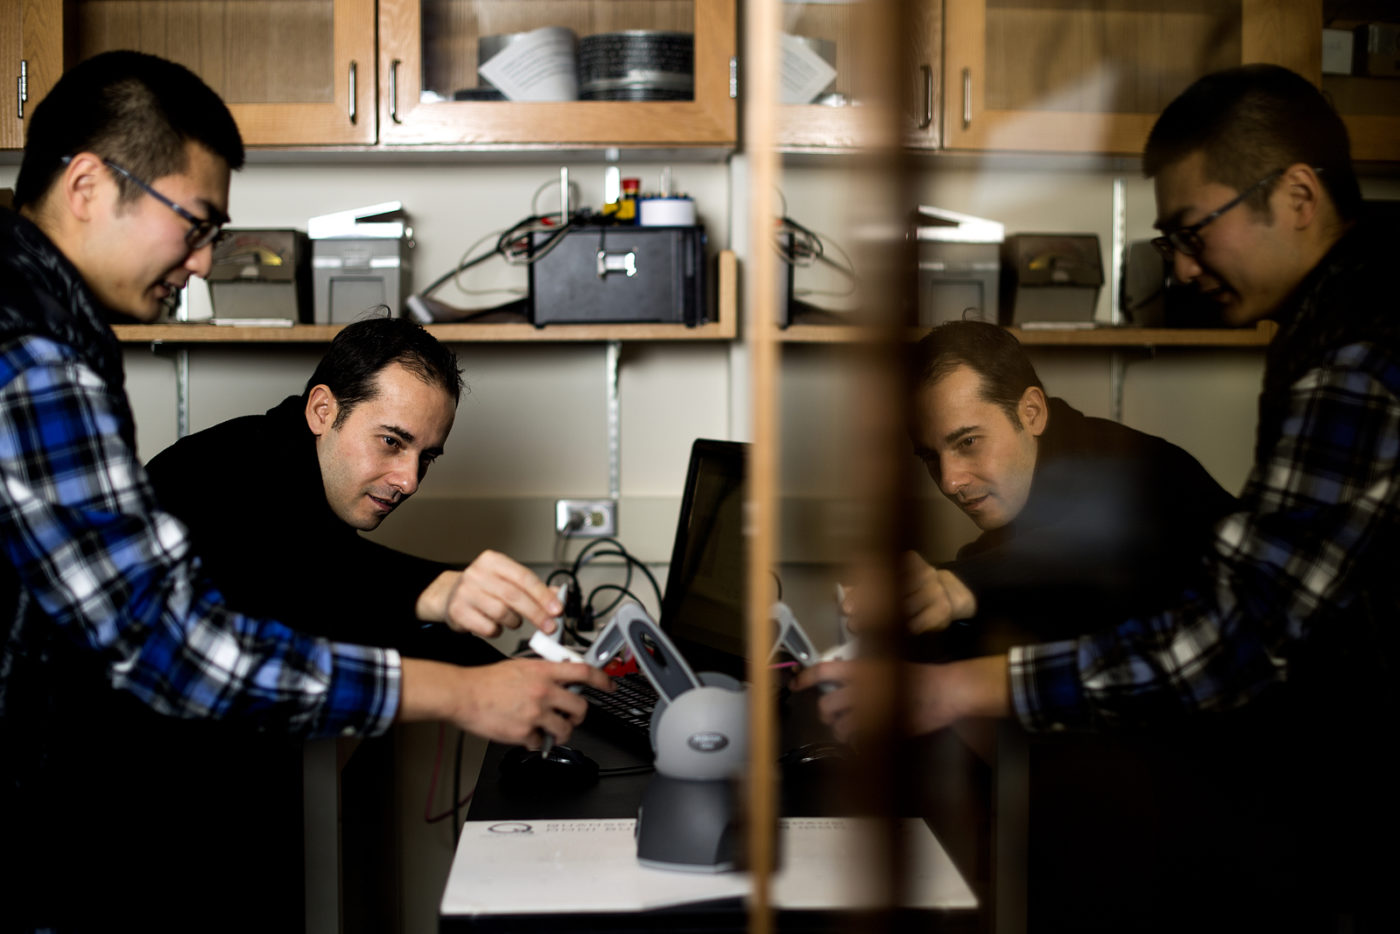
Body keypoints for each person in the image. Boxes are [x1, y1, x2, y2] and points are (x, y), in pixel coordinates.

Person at [0, 51, 610, 932]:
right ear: (89, 185)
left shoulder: (41, 321)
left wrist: (458, 620)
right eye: (195, 224)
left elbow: (318, 572)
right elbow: (179, 634)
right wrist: (463, 690)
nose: (202, 263)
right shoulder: (40, 358)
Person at [800, 64, 1398, 929]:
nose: (1182, 266)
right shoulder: (1340, 316)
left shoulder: (1353, 356)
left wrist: (955, 634)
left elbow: (1218, 622)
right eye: (1169, 240)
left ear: (1299, 196)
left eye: (1195, 231)